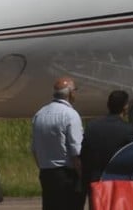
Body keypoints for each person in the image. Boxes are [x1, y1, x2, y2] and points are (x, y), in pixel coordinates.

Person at [31, 76, 85, 210]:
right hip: (66, 176)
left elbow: (35, 149)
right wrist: (82, 176)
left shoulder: (40, 114)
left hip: (46, 174)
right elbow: (76, 150)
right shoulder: (70, 115)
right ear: (71, 93)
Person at [80, 90, 133, 191]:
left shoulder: (92, 126)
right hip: (119, 182)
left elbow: (84, 155)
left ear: (108, 105)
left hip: (96, 182)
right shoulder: (129, 129)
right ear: (125, 107)